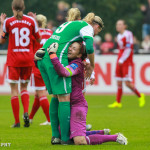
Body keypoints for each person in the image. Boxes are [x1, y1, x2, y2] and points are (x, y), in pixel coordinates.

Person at [35, 12, 104, 144]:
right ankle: (66, 139)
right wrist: (92, 66)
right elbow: (89, 47)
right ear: (95, 25)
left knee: (55, 96)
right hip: (56, 57)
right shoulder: (86, 27)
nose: (95, 34)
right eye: (97, 31)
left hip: (42, 57)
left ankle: (56, 136)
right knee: (65, 97)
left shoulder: (70, 24)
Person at [48, 41, 128, 145]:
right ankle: (100, 132)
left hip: (77, 106)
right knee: (63, 134)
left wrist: (52, 54)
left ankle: (115, 137)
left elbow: (64, 72)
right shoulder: (67, 61)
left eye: (74, 48)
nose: (70, 49)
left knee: (79, 141)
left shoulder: (77, 64)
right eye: (70, 47)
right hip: (68, 105)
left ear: (79, 54)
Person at [0, 0, 41, 127]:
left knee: (13, 90)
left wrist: (2, 24)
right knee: (24, 88)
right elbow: (39, 39)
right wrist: (35, 22)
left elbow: (2, 41)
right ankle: (26, 112)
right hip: (27, 59)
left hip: (14, 59)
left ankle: (17, 122)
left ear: (12, 7)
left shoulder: (8, 22)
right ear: (23, 7)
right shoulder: (31, 21)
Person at [108, 20, 145, 108]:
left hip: (126, 60)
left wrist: (122, 59)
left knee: (127, 83)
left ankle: (140, 96)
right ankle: (118, 102)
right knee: (119, 81)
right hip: (120, 58)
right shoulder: (118, 36)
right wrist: (119, 59)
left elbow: (129, 48)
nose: (118, 26)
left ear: (125, 26)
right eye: (117, 24)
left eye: (120, 24)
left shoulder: (128, 34)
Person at [28, 13, 53, 125]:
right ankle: (30, 117)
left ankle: (50, 120)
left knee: (41, 93)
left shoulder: (34, 34)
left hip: (37, 65)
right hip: (48, 65)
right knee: (38, 94)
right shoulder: (50, 33)